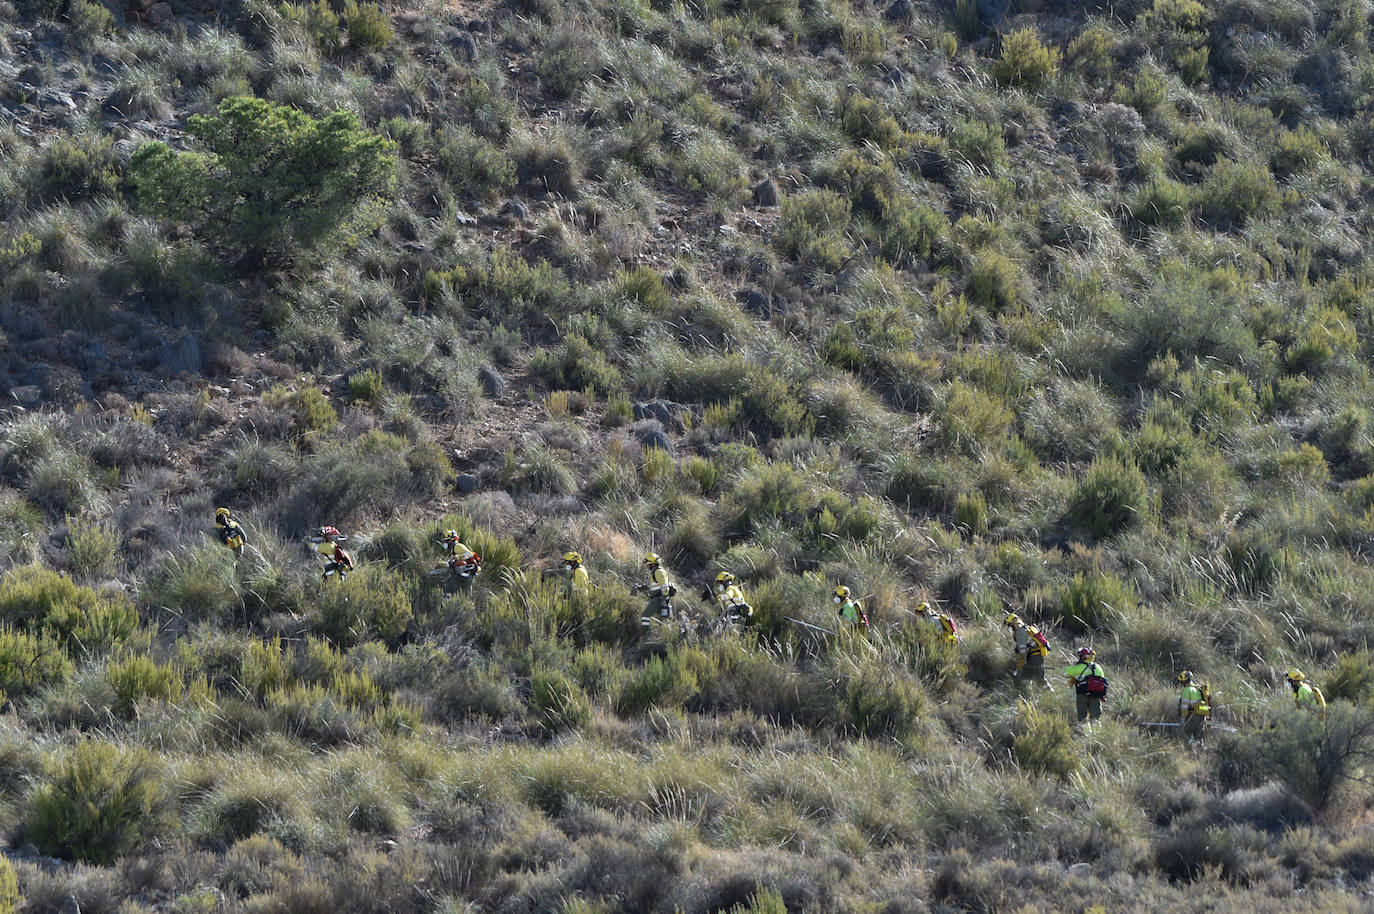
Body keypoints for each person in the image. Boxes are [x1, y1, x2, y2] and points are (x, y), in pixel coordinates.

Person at [1063, 646, 1108, 723]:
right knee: (1096, 717)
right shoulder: (1098, 667)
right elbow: (1102, 680)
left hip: (1082, 694)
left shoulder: (1078, 667)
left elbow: (1064, 673)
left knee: (1082, 716)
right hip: (1096, 694)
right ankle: (1096, 733)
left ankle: (1085, 733)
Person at [1004, 612, 1049, 685]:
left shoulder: (1020, 632)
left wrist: (1020, 664)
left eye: (1009, 625)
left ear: (1013, 624)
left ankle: (1050, 693)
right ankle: (1025, 693)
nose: (1010, 628)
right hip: (1034, 658)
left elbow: (1023, 651)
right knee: (1024, 679)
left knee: (1040, 681)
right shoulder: (1024, 630)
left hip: (1034, 658)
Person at [633, 553, 675, 627]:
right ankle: (660, 635)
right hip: (658, 599)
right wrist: (641, 587)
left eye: (647, 564)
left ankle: (644, 635)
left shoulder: (659, 572)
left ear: (652, 564)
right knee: (662, 621)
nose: (646, 566)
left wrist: (664, 601)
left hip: (659, 599)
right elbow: (652, 587)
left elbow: (665, 588)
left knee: (645, 616)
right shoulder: (654, 572)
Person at [1177, 670, 1210, 741]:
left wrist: (1182, 720)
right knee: (1199, 737)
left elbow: (1184, 707)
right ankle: (1200, 750)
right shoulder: (1197, 689)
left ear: (1184, 681)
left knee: (1185, 733)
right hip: (1201, 716)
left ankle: (1188, 749)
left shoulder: (1187, 690)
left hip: (1194, 716)